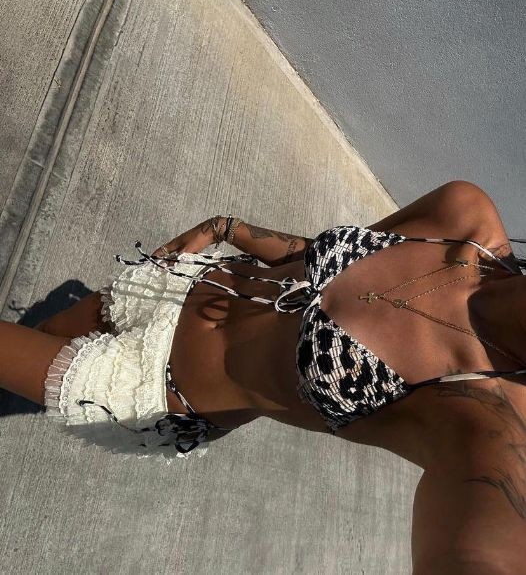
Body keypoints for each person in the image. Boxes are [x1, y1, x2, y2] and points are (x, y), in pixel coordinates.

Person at [1, 180, 526, 573]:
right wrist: (228, 229)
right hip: (170, 288)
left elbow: (480, 549)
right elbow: (319, 257)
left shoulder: (490, 419)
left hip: (149, 386)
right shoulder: (466, 215)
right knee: (44, 333)